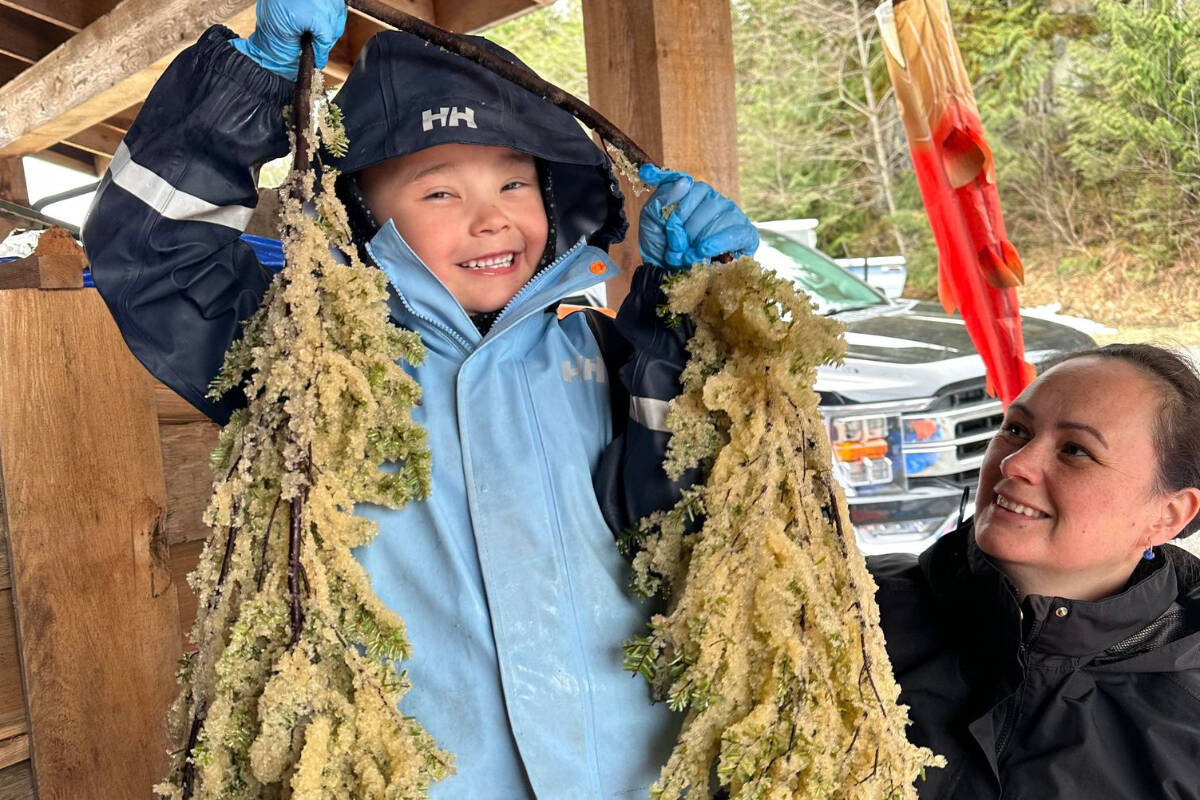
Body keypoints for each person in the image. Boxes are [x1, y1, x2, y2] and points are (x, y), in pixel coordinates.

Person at [81, 1, 758, 797]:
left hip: (631, 775)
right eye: (439, 194)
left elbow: (677, 505)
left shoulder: (600, 356)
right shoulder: (305, 363)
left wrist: (681, 310)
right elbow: (154, 253)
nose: (492, 217)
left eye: (514, 180)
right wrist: (253, 80)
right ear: (360, 215)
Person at [870, 343, 1200, 800]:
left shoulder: (1187, 720)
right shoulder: (858, 604)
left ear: (1167, 515)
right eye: (1017, 429)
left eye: (1075, 450)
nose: (1014, 463)